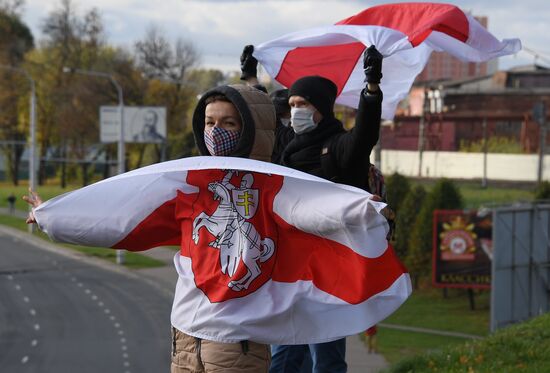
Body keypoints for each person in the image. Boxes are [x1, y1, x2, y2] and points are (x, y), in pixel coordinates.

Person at [25, 83, 276, 373]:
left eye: (228, 123)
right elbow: (120, 218)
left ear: (247, 129)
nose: (215, 131)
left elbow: (320, 211)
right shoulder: (188, 182)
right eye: (209, 122)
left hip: (235, 346)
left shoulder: (273, 187)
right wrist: (52, 216)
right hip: (184, 342)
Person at [241, 44, 384, 372]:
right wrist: (250, 80)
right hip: (290, 267)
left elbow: (365, 135)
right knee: (285, 356)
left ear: (320, 107)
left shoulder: (338, 147)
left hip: (329, 268)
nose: (295, 111)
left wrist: (371, 87)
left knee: (326, 357)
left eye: (302, 104)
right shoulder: (287, 146)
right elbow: (257, 119)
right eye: (291, 104)